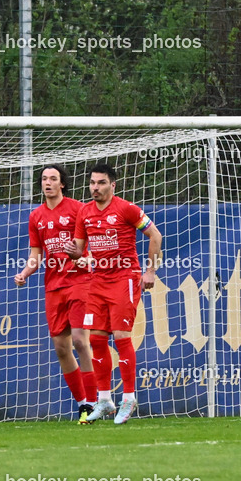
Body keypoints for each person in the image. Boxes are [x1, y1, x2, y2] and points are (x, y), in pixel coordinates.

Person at [66, 163, 162, 425]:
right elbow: (80, 253)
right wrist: (75, 255)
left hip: (124, 279)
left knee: (121, 337)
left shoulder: (126, 209)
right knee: (95, 339)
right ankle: (105, 399)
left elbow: (155, 234)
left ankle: (129, 398)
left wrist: (150, 271)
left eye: (101, 183)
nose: (95, 188)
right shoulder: (84, 213)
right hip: (98, 280)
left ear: (112, 185)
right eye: (92, 183)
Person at [14, 165, 97, 423]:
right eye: (44, 179)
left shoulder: (78, 209)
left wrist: (86, 259)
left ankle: (95, 402)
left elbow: (93, 245)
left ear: (62, 184)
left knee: (81, 342)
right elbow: (36, 255)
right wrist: (25, 273)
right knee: (62, 348)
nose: (47, 183)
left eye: (53, 179)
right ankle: (83, 403)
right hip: (53, 286)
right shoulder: (36, 216)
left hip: (80, 282)